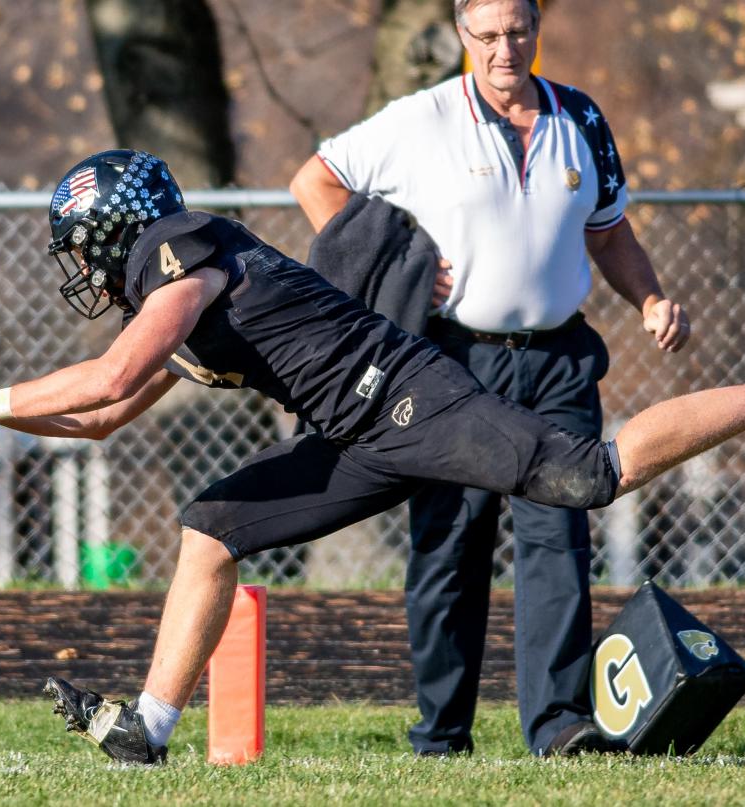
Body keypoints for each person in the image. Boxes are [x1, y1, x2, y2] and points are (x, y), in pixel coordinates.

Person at [0, 148, 745, 765]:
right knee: (210, 526)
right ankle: (149, 730)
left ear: (119, 230)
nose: (82, 269)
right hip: (355, 435)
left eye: (84, 246)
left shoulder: (178, 250)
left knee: (587, 477)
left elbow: (116, 369)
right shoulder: (180, 296)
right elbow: (106, 413)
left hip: (409, 399)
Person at [289, 0, 689, 757]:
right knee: (450, 543)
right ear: (460, 33)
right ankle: (441, 730)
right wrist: (391, 262)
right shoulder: (422, 118)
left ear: (537, 28)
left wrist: (650, 298)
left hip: (559, 360)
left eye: (518, 31)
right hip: (451, 363)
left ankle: (558, 724)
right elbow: (316, 179)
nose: (505, 48)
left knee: (559, 537)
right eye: (487, 34)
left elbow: (608, 230)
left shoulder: (583, 119)